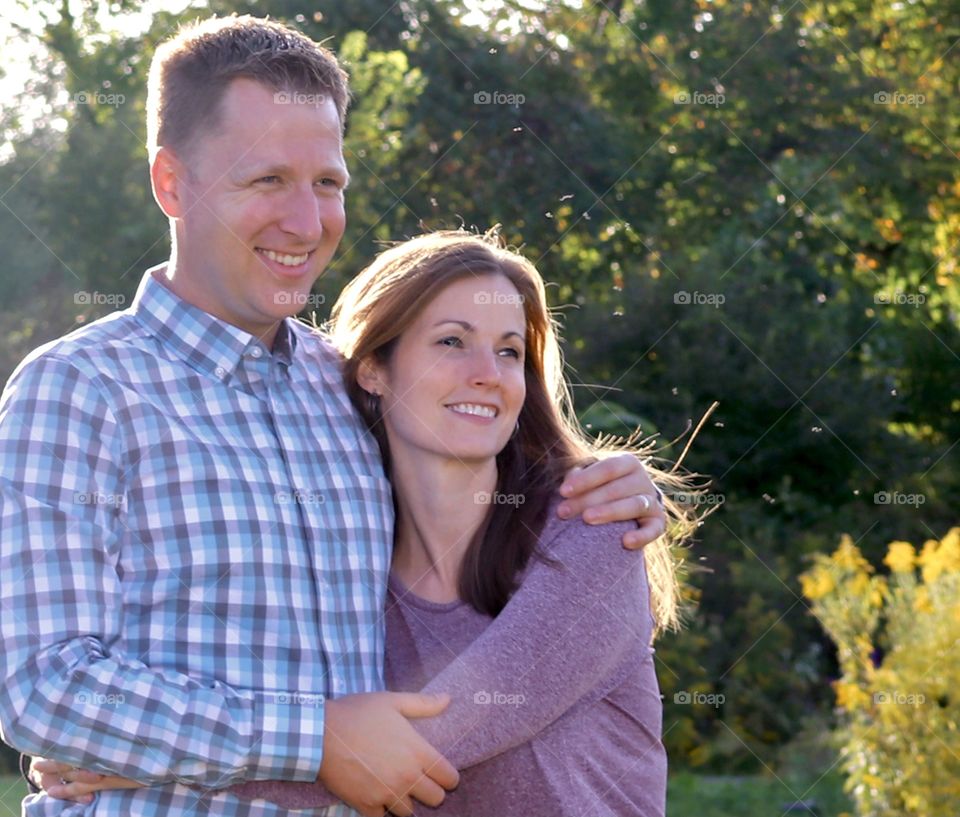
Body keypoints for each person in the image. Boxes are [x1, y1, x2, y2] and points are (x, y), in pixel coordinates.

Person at [0, 14, 666, 817]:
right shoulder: (80, 390)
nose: (308, 223)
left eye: (328, 183)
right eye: (266, 180)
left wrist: (613, 487)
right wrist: (310, 737)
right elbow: (42, 686)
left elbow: (479, 475)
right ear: (171, 183)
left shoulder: (350, 388)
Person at [35, 231, 700, 816]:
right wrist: (123, 731)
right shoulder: (350, 576)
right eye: (451, 342)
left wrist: (135, 757)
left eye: (508, 352)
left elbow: (417, 747)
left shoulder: (591, 531)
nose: (487, 375)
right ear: (376, 370)